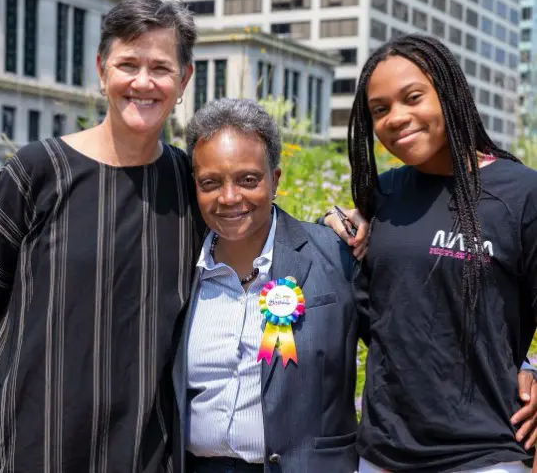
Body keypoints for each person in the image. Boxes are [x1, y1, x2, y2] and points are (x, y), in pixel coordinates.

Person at [0, 0, 205, 472]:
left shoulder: (191, 187)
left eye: (161, 68)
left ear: (184, 79)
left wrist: (343, 224)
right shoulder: (37, 171)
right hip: (25, 449)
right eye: (128, 64)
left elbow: (263, 239)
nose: (143, 82)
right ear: (101, 69)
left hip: (141, 455)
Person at [325, 33, 537, 472]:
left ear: (450, 92)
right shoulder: (382, 196)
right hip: (382, 455)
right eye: (379, 110)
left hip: (486, 453)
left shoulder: (521, 194)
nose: (396, 118)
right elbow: (380, 319)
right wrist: (336, 225)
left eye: (413, 97)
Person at [172, 98, 361, 473]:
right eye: (211, 183)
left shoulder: (336, 255)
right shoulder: (174, 268)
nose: (229, 197)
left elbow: (404, 348)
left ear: (275, 179)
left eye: (248, 180)